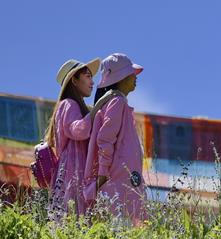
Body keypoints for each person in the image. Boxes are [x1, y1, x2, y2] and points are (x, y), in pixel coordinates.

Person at [84, 53, 147, 223]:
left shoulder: (118, 101)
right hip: (117, 177)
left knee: (125, 224)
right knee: (120, 225)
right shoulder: (117, 101)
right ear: (120, 77)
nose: (135, 77)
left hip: (122, 177)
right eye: (130, 73)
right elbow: (105, 138)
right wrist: (103, 173)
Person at [44, 57, 101, 216]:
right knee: (75, 217)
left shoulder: (70, 105)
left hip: (70, 172)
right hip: (73, 171)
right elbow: (78, 131)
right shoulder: (69, 104)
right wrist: (97, 110)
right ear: (74, 80)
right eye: (88, 76)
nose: (92, 81)